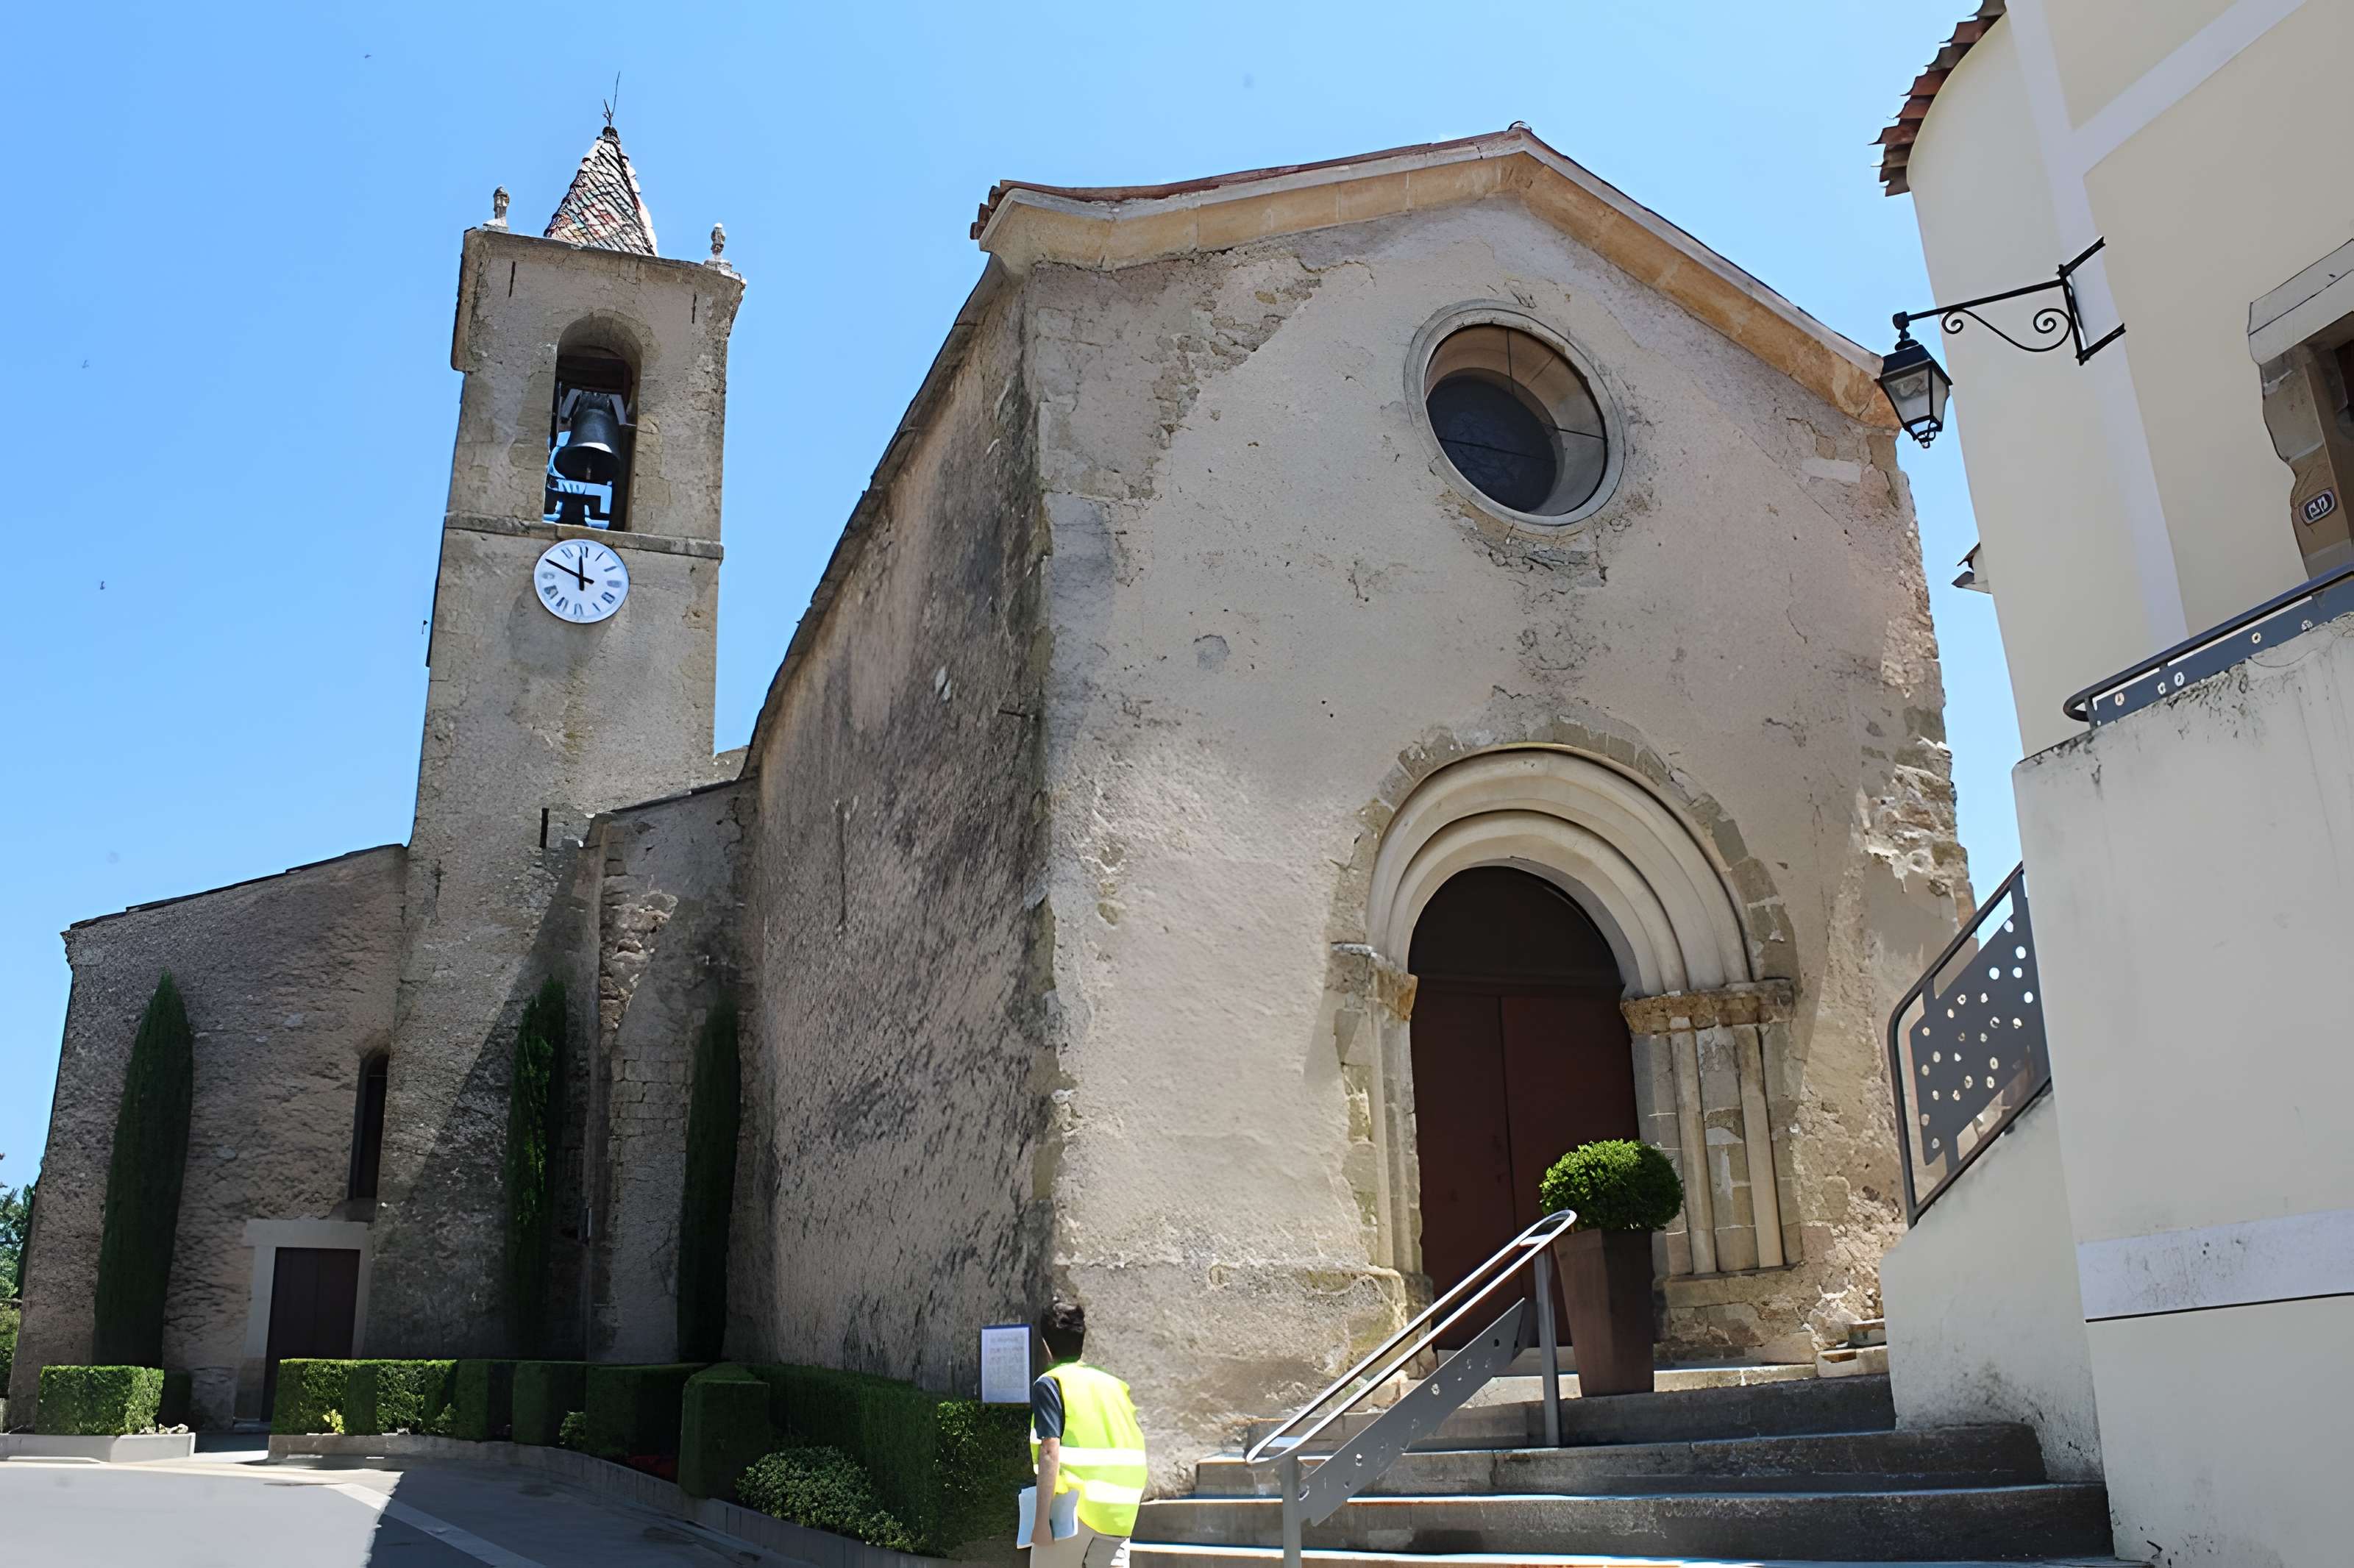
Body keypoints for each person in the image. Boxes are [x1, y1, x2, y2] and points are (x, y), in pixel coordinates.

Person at [1028, 1298, 1147, 1568]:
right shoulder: (1115, 1386)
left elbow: (1049, 1449)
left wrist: (1041, 1522)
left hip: (1073, 1513)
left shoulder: (1051, 1383)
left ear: (1046, 1346)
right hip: (1119, 1512)